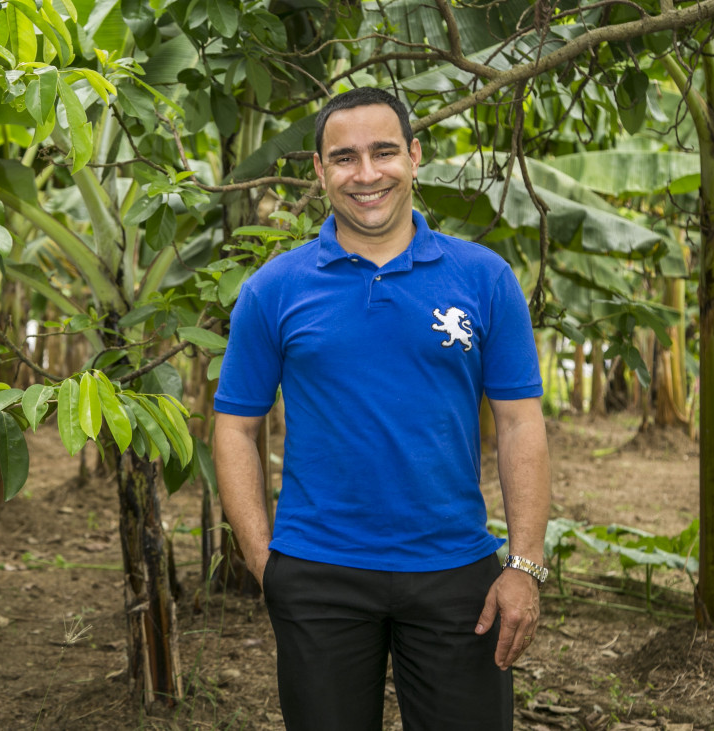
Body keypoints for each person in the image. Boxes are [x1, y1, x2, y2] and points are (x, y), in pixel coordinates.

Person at [213, 87, 551, 730]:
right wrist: (263, 561)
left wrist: (525, 565)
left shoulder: (483, 277)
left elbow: (519, 423)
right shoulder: (273, 289)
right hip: (319, 572)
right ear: (320, 171)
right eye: (344, 158)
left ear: (414, 156)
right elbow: (234, 427)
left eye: (384, 152)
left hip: (457, 571)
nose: (366, 174)